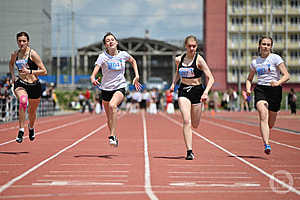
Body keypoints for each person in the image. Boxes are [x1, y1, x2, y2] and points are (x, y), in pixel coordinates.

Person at [90, 32, 141, 147]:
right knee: (109, 119)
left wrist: (136, 76)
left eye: (112, 39)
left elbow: (133, 61)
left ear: (116, 42)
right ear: (106, 45)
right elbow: (94, 73)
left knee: (113, 105)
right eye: (108, 41)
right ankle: (114, 135)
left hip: (120, 87)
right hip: (105, 89)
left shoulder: (123, 55)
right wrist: (93, 79)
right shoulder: (102, 57)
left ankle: (112, 136)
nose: (110, 41)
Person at [170, 35, 214, 160]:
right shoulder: (179, 59)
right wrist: (173, 83)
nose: (192, 48)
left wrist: (205, 92)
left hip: (197, 92)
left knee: (195, 124)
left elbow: (211, 78)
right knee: (186, 121)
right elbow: (178, 72)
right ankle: (189, 151)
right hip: (183, 90)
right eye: (189, 46)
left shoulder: (199, 60)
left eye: (194, 46)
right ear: (185, 46)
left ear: (196, 46)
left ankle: (199, 109)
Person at [246, 36, 290, 155]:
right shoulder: (255, 62)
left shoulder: (275, 58)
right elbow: (249, 79)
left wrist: (278, 82)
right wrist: (248, 89)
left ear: (271, 47)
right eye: (264, 44)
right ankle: (266, 144)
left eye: (268, 44)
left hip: (275, 89)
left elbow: (286, 75)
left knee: (271, 122)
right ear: (259, 46)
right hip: (261, 89)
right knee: (263, 113)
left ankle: (267, 132)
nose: (265, 46)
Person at [9, 32, 47, 143]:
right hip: (21, 83)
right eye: (19, 41)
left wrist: (30, 71)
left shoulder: (33, 54)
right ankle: (21, 130)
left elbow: (44, 71)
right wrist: (12, 76)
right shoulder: (15, 54)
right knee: (23, 101)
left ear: (28, 42)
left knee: (32, 112)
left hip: (34, 85)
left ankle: (31, 127)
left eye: (24, 41)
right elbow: (11, 64)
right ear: (17, 42)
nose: (21, 43)